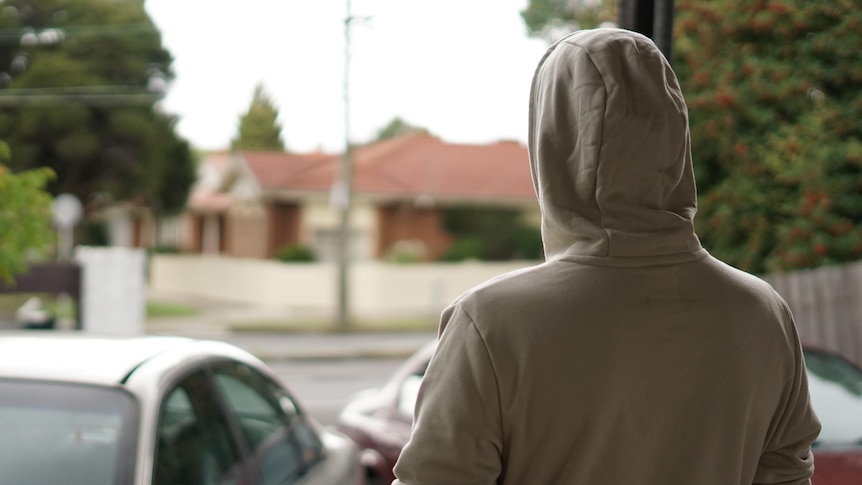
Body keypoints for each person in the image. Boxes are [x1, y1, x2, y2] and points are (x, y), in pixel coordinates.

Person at [392, 28, 821, 485]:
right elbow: (786, 475)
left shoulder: (490, 322)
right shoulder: (761, 312)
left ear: (552, 141)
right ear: (674, 133)